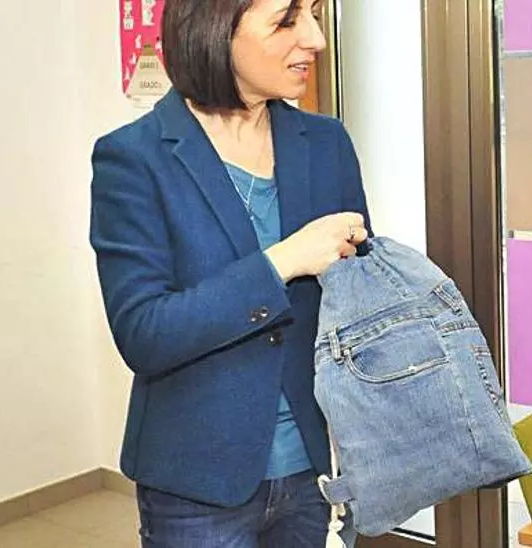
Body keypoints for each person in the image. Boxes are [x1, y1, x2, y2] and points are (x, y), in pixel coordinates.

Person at [89, 0, 371, 545]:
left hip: (315, 470)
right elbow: (144, 333)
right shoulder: (133, 158)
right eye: (287, 19)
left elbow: (355, 296)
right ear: (215, 27)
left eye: (313, 14)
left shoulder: (326, 143)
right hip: (197, 483)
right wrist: (283, 262)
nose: (315, 38)